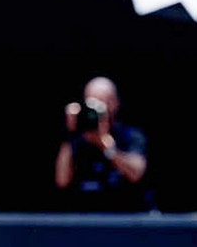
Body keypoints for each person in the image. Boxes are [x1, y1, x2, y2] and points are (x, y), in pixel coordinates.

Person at [54, 76, 151, 211]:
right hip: (85, 215)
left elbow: (135, 174)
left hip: (125, 213)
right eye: (92, 101)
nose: (97, 106)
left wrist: (105, 144)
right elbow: (62, 181)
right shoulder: (77, 140)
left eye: (104, 100)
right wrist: (71, 133)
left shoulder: (131, 135)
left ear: (116, 102)